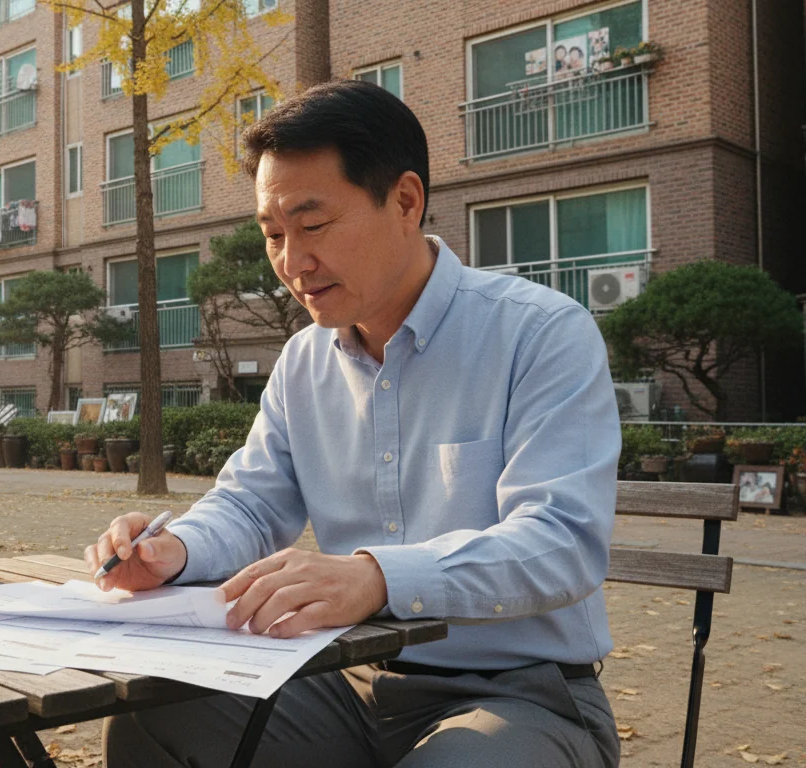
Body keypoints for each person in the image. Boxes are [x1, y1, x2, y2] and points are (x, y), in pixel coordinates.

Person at [86, 79, 621, 768]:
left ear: (404, 201)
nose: (292, 262)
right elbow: (250, 505)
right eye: (274, 234)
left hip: (519, 698)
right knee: (154, 720)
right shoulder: (305, 361)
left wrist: (377, 578)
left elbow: (561, 544)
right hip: (345, 687)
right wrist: (176, 549)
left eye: (313, 226)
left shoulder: (539, 334)